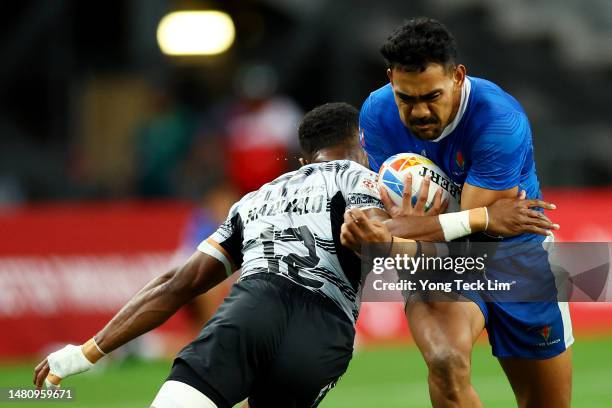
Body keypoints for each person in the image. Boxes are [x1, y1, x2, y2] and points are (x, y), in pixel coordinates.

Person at [33, 103, 557, 408]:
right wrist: (486, 221)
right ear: (364, 144)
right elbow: (399, 245)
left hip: (249, 313)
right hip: (324, 337)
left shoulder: (254, 199)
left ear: (304, 158)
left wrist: (86, 352)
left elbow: (178, 285)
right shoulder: (372, 178)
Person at [359, 17, 572, 408]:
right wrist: (483, 218)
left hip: (515, 253)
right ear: (391, 79)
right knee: (446, 361)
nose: (419, 112)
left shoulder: (498, 119)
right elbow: (389, 220)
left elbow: (438, 225)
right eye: (406, 98)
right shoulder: (376, 112)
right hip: (439, 260)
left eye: (431, 97)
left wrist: (406, 226)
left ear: (458, 77)